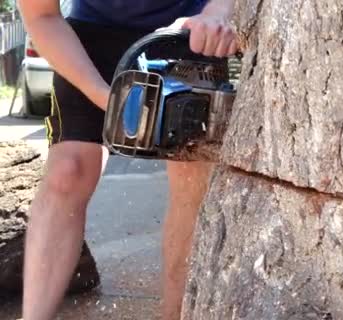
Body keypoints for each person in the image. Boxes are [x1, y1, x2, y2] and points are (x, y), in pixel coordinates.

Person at [16, 0, 238, 319]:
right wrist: (107, 98)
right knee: (69, 170)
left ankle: (175, 314)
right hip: (91, 39)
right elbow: (42, 16)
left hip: (187, 32)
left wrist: (219, 11)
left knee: (193, 180)